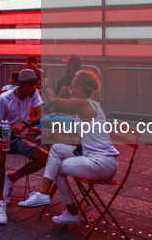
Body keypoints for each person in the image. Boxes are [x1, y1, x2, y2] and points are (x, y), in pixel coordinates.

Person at [18, 70, 119, 226]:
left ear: (80, 88)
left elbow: (54, 100)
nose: (70, 90)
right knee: (57, 148)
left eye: (72, 87)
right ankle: (45, 195)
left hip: (102, 163)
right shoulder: (92, 105)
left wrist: (43, 80)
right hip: (96, 157)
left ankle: (65, 209)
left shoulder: (83, 102)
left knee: (56, 167)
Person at [0, 69, 48, 225]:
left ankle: (11, 179)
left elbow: (41, 116)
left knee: (44, 157)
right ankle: (0, 202)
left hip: (18, 137)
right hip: (2, 135)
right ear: (21, 86)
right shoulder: (5, 98)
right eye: (31, 86)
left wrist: (25, 123)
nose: (34, 89)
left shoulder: (33, 94)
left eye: (36, 85)